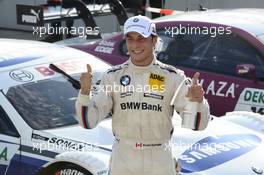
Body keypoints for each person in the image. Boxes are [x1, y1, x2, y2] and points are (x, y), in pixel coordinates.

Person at [75, 15, 210, 175]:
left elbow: (197, 124)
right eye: (130, 39)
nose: (135, 45)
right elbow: (88, 121)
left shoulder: (173, 77)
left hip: (160, 160)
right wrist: (84, 93)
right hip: (123, 160)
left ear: (154, 41)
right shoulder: (112, 76)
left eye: (141, 38)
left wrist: (198, 102)